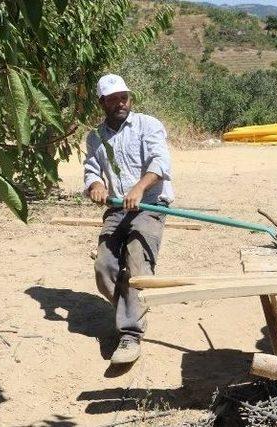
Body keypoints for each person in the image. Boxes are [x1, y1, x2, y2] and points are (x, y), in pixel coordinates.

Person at [83, 74, 174, 364]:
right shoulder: (95, 137)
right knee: (104, 267)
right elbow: (91, 168)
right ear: (102, 103)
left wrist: (139, 188)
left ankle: (130, 333)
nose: (120, 103)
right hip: (117, 208)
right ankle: (130, 304)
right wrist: (95, 185)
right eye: (113, 99)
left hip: (149, 204)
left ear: (129, 98)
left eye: (124, 97)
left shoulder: (149, 125)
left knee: (137, 262)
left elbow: (160, 163)